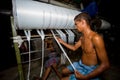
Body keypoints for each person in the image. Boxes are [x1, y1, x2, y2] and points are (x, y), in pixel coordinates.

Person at [57, 12, 110, 80]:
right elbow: (74, 48)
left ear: (83, 22)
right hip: (80, 64)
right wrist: (62, 42)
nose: (76, 27)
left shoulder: (96, 38)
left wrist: (85, 77)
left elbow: (105, 65)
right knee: (63, 71)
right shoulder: (82, 38)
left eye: (76, 24)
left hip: (90, 69)